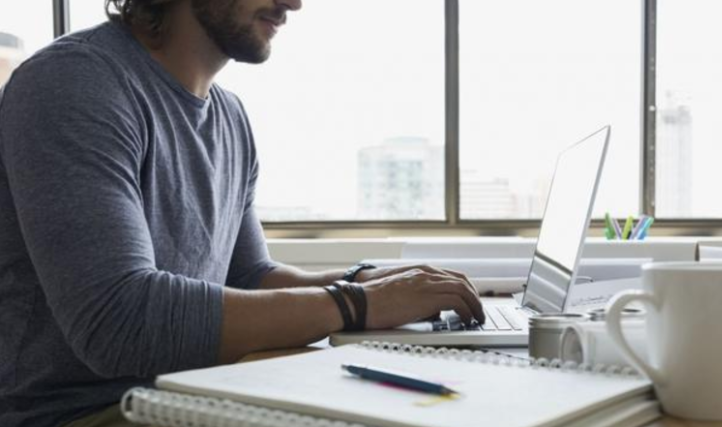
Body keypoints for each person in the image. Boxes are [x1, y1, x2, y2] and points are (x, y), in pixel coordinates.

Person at [0, 0, 485, 425]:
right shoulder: (73, 82)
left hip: (189, 393)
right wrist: (359, 304)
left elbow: (250, 276)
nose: (292, 3)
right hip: (85, 413)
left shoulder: (229, 115)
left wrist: (373, 283)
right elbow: (119, 323)